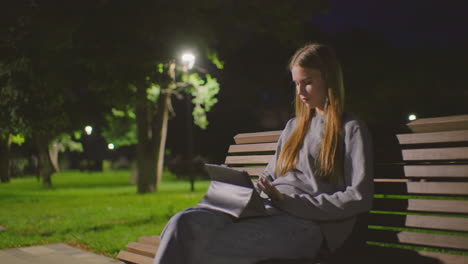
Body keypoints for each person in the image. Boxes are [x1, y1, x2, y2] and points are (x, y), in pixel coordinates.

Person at [153, 43, 374, 264]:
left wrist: (290, 201)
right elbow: (269, 176)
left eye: (308, 83)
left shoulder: (350, 129)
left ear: (329, 79)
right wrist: (248, 187)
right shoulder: (293, 127)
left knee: (203, 247)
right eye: (296, 83)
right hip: (268, 212)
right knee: (182, 222)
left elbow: (359, 198)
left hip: (308, 225)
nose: (300, 92)